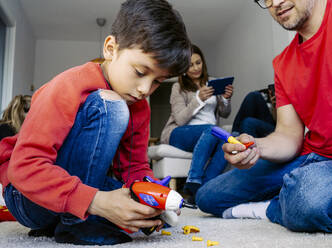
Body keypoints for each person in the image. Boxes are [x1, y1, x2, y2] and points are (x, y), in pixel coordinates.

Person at [0, 0, 191, 245]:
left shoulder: (140, 105)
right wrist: (95, 201)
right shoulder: (67, 86)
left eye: (157, 81)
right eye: (141, 72)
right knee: (111, 106)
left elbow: (134, 168)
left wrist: (153, 196)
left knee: (131, 199)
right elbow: (24, 167)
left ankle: (68, 218)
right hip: (25, 196)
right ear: (111, 48)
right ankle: (75, 225)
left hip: (70, 188)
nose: (145, 89)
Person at [196, 0, 332, 234]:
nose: (275, 3)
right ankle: (290, 197)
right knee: (208, 197)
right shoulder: (283, 63)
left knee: (310, 196)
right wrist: (255, 146)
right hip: (312, 155)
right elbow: (289, 134)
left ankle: (269, 208)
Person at [160, 44, 233, 204]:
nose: (195, 68)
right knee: (212, 130)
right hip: (180, 133)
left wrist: (226, 98)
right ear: (183, 68)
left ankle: (202, 191)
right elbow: (179, 119)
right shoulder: (178, 87)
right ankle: (193, 181)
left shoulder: (213, 83)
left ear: (203, 62)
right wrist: (199, 99)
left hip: (209, 133)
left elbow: (225, 113)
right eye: (190, 65)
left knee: (230, 138)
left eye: (198, 63)